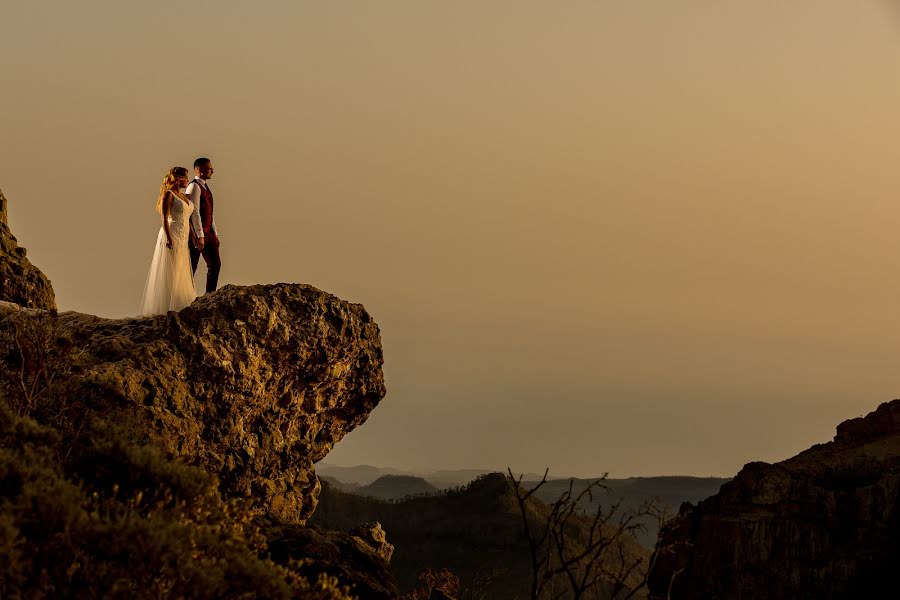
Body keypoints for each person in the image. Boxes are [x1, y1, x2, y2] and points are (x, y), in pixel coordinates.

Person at [139, 167, 198, 316]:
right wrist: (168, 238)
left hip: (183, 235)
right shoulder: (169, 194)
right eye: (185, 177)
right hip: (172, 232)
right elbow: (164, 218)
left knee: (180, 265)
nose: (187, 180)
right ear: (178, 178)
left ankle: (179, 301)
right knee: (170, 266)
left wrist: (194, 236)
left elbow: (187, 219)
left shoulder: (183, 196)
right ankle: (167, 305)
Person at [185, 157, 221, 293]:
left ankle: (210, 295)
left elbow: (209, 213)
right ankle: (184, 297)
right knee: (191, 268)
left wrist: (215, 233)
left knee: (215, 264)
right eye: (209, 168)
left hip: (209, 233)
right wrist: (200, 235)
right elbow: (194, 212)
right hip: (197, 234)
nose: (212, 170)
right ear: (198, 170)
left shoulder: (205, 186)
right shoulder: (194, 186)